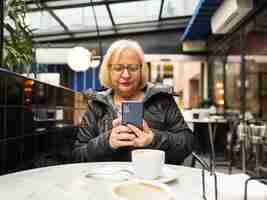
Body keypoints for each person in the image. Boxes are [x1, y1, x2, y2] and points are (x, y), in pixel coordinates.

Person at [72, 39, 194, 165]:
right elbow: (79, 155)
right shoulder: (97, 105)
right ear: (109, 71)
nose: (126, 75)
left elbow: (188, 143)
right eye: (118, 68)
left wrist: (153, 139)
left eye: (133, 68)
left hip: (155, 180)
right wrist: (107, 142)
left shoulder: (162, 100)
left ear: (141, 70)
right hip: (108, 181)